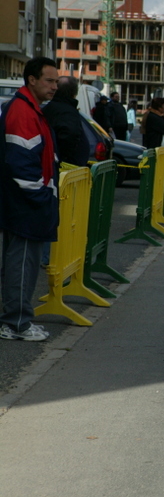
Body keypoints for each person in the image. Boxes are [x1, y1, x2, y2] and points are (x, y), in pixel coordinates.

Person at [0, 57, 59, 341]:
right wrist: (41, 196)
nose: (54, 86)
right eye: (49, 80)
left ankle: (17, 321)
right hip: (25, 204)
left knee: (21, 263)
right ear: (32, 80)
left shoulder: (29, 108)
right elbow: (21, 162)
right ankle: (16, 324)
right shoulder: (24, 112)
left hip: (25, 202)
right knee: (22, 264)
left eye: (56, 81)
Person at [42, 76, 89, 167]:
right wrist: (64, 158)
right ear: (74, 93)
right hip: (67, 168)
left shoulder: (49, 108)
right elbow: (69, 135)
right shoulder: (67, 112)